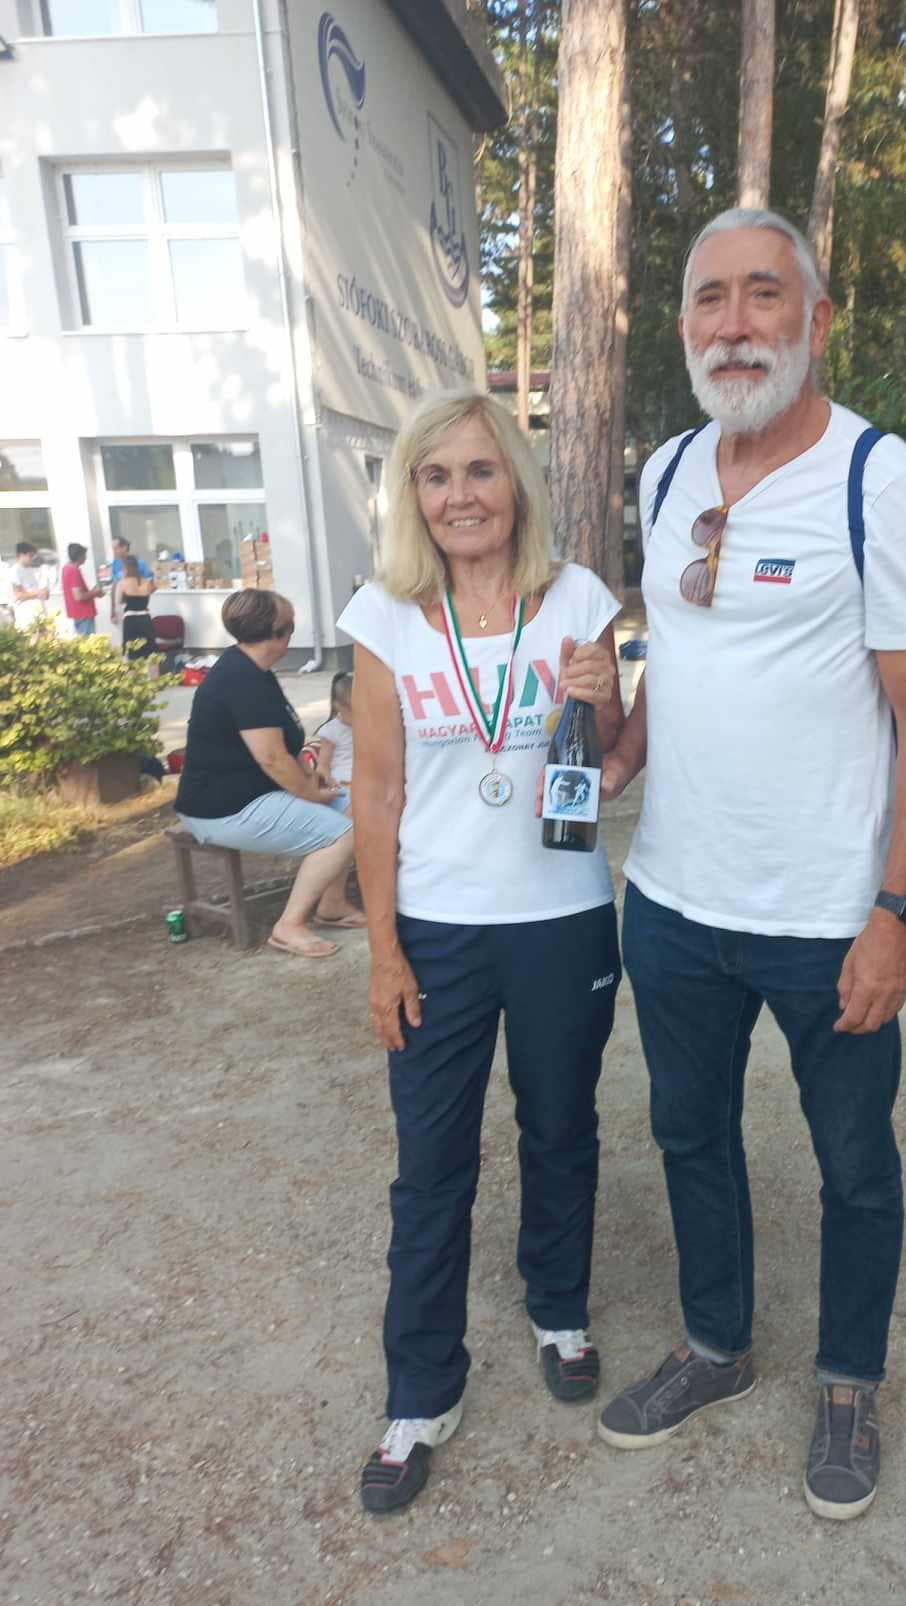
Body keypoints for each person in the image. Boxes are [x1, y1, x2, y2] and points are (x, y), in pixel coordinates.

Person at [594, 208, 906, 1522]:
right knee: (688, 1130)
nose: (735, 324)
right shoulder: (666, 473)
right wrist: (619, 751)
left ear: (815, 319)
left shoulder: (880, 483)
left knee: (852, 1157)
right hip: (673, 901)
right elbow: (679, 653)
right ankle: (715, 1342)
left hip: (826, 917)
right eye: (710, 299)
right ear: (682, 326)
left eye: (763, 295)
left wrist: (894, 913)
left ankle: (849, 1380)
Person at [337, 389, 624, 1514]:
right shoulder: (386, 616)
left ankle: (558, 1307)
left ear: (515, 483)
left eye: (479, 470)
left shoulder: (579, 598)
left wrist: (602, 698)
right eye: (436, 475)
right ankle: (420, 1390)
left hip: (560, 917)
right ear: (413, 495)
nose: (460, 496)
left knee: (560, 1128)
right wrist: (382, 950)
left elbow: (606, 759)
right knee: (431, 1166)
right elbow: (375, 791)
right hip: (439, 928)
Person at [174, 589, 365, 958]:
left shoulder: (253, 670)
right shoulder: (242, 680)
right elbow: (272, 758)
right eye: (291, 624)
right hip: (222, 808)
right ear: (279, 633)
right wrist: (309, 793)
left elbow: (284, 745)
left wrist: (311, 775)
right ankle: (289, 925)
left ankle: (332, 904)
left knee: (358, 805)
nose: (293, 631)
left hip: (254, 793)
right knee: (345, 833)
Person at [314, 672, 354, 806]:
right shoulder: (332, 730)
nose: (359, 716)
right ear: (338, 706)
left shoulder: (369, 725)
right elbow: (323, 766)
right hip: (343, 783)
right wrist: (328, 782)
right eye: (353, 711)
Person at [108, 536, 151, 635]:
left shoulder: (140, 564)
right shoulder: (115, 564)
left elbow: (148, 587)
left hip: (140, 610)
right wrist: (112, 611)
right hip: (125, 611)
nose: (114, 551)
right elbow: (114, 588)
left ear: (124, 547)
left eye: (116, 548)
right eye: (112, 549)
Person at [118, 557, 157, 661]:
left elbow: (119, 601)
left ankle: (134, 672)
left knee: (132, 653)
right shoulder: (146, 582)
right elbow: (147, 600)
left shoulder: (123, 583)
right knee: (150, 652)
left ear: (125, 568)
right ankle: (154, 672)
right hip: (145, 618)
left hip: (130, 619)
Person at [6, 543, 50, 630]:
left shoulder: (31, 569)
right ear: (21, 555)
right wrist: (38, 592)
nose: (32, 558)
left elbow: (43, 592)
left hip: (39, 612)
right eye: (30, 555)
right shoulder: (15, 571)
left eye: (33, 555)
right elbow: (19, 595)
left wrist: (42, 592)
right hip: (27, 617)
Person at [61, 544, 101, 637]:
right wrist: (95, 592)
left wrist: (92, 592)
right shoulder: (74, 571)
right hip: (83, 614)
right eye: (84, 555)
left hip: (78, 613)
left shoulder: (66, 568)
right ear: (79, 556)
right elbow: (79, 596)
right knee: (89, 642)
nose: (85, 558)